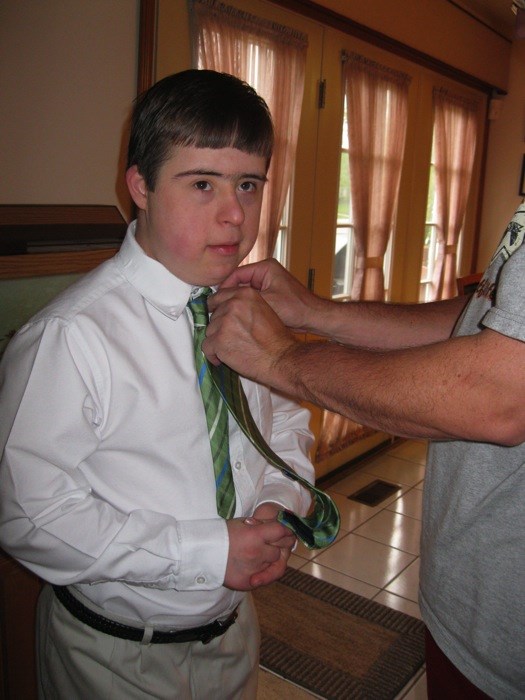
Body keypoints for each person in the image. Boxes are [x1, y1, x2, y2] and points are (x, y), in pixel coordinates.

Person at [0, 70, 315, 700]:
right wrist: (203, 551)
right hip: (115, 657)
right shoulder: (72, 338)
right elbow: (28, 513)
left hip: (233, 633)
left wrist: (281, 502)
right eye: (203, 183)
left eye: (248, 184)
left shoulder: (250, 315)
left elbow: (285, 424)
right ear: (140, 186)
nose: (235, 214)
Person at [204, 203, 525, 700]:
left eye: (248, 185)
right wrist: (318, 313)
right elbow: (483, 321)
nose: (232, 212)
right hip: (475, 612)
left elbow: (503, 397)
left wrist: (282, 357)